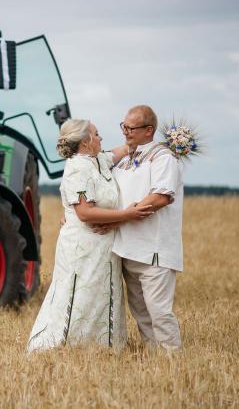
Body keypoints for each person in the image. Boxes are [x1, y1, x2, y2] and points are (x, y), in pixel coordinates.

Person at [27, 119, 154, 352]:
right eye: (97, 134)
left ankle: (104, 346)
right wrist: (127, 214)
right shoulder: (77, 168)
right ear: (86, 141)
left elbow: (123, 150)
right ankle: (69, 346)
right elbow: (85, 213)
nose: (101, 138)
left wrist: (159, 142)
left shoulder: (98, 160)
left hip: (104, 246)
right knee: (80, 294)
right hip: (82, 246)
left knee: (102, 292)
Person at [111, 105, 184, 351]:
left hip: (154, 250)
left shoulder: (163, 157)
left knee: (159, 312)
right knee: (140, 312)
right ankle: (154, 360)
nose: (126, 132)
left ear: (149, 130)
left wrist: (123, 217)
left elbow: (161, 196)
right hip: (127, 248)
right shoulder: (124, 160)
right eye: (124, 126)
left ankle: (172, 360)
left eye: (131, 128)